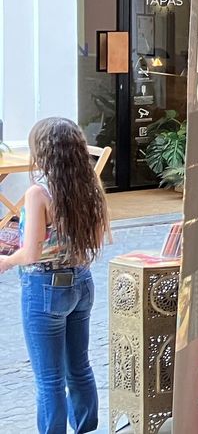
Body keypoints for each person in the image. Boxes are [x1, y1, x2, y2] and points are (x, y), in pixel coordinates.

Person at [0, 117, 109, 434]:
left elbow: (31, 254)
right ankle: (86, 428)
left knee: (49, 378)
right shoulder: (91, 185)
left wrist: (6, 261)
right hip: (82, 282)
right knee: (79, 366)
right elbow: (101, 238)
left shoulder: (39, 193)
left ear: (43, 152)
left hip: (45, 287)